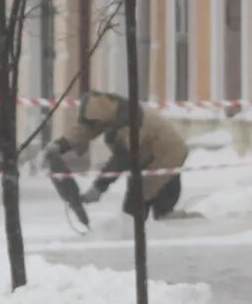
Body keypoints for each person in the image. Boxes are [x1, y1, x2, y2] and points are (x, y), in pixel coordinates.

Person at [44, 90, 190, 229]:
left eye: (95, 123)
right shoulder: (110, 113)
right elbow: (85, 130)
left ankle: (195, 229)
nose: (94, 127)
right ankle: (142, 239)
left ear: (102, 119)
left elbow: (122, 158)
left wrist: (99, 187)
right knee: (136, 211)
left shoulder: (132, 120)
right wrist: (60, 145)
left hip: (166, 157)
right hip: (145, 159)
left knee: (144, 211)